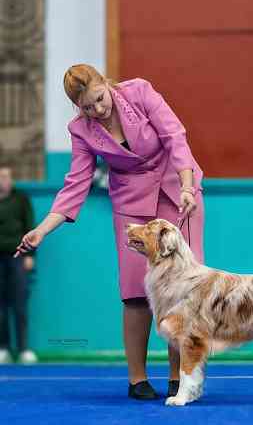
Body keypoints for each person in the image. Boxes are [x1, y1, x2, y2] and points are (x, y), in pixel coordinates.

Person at [15, 64, 205, 399]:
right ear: (78, 107)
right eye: (87, 107)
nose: (98, 110)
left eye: (100, 100)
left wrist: (188, 187)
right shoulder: (81, 130)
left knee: (182, 291)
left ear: (106, 84)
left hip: (178, 193)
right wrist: (42, 230)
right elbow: (76, 184)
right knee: (135, 294)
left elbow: (174, 136)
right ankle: (137, 380)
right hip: (131, 203)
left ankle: (181, 378)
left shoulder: (140, 92)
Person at [0, 164, 38, 364]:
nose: (2, 180)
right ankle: (3, 348)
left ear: (11, 179)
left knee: (19, 304)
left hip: (18, 257)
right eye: (0, 177)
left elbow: (30, 225)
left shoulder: (21, 199)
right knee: (0, 306)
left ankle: (24, 348)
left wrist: (30, 255)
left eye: (6, 176)